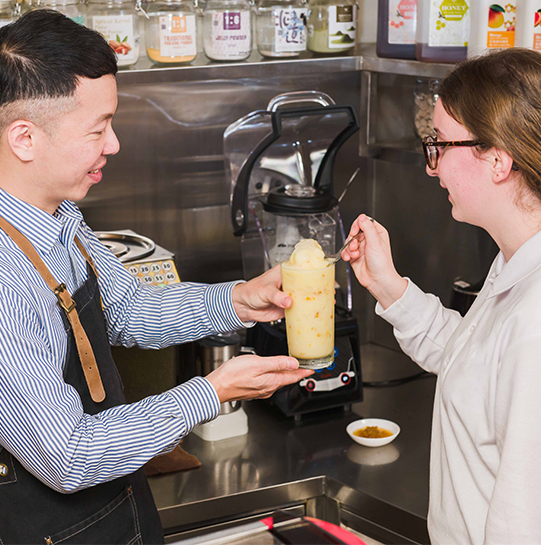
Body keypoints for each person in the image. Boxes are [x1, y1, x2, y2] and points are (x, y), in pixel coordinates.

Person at [0, 10, 313, 544]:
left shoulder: (58, 219)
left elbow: (127, 310)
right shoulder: (6, 281)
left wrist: (238, 300)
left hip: (120, 510)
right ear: (25, 138)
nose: (115, 144)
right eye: (98, 129)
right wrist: (211, 392)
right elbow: (70, 456)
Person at [342, 48, 541, 544]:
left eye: (440, 145)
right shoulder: (515, 261)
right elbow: (474, 361)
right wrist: (389, 287)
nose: (432, 168)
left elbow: (522, 523)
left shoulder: (537, 321)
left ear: (498, 160)